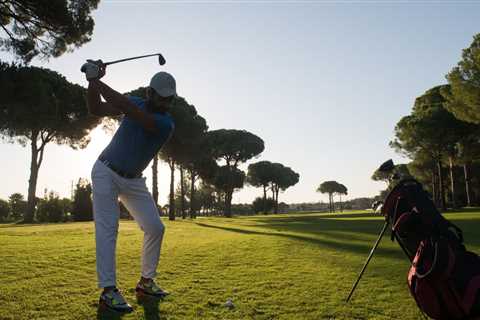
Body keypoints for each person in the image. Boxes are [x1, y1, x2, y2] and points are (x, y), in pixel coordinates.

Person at [81, 61, 176, 313]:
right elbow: (95, 108)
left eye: (170, 99)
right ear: (150, 93)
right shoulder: (137, 102)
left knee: (155, 227)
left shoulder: (165, 124)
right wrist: (92, 82)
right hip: (105, 171)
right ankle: (109, 291)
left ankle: (146, 282)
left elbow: (128, 109)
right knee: (108, 229)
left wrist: (96, 79)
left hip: (133, 180)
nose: (166, 103)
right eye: (162, 98)